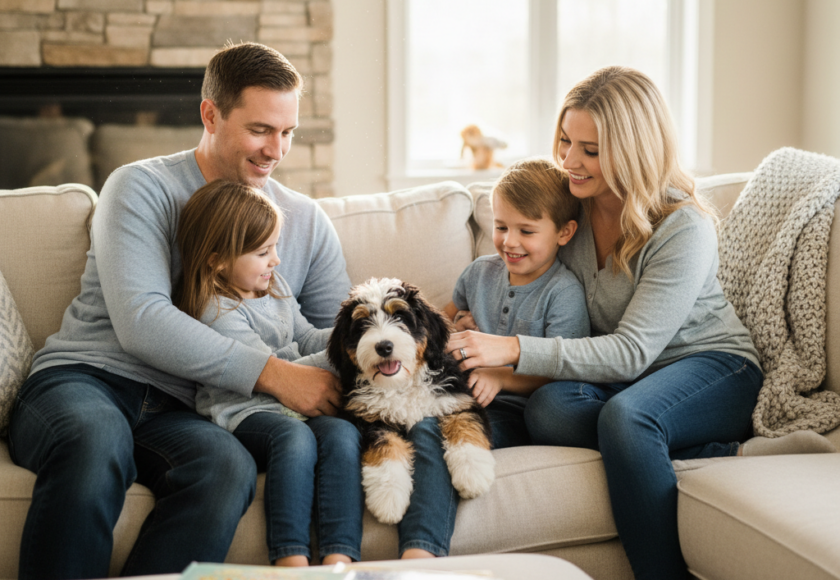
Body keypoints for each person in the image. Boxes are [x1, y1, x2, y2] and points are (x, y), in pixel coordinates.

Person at [8, 41, 350, 579]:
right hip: (87, 380)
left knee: (226, 468)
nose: (275, 150)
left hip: (184, 409)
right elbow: (142, 320)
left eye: (287, 132)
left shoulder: (304, 222)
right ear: (210, 115)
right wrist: (273, 374)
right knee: (95, 445)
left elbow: (341, 335)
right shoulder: (142, 186)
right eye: (260, 129)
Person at [445, 66, 767, 579]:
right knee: (548, 408)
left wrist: (509, 349)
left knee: (627, 419)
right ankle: (716, 452)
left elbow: (633, 351)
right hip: (627, 382)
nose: (570, 161)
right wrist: (469, 318)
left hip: (709, 366)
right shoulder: (572, 207)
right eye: (565, 141)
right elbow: (522, 272)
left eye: (590, 150)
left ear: (635, 149)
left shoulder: (683, 225)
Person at [175, 180, 362, 566]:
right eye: (263, 252)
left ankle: (340, 558)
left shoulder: (272, 284)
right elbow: (276, 372)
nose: (275, 260)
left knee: (343, 433)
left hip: (297, 402)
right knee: (294, 439)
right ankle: (290, 559)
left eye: (274, 247)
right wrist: (352, 356)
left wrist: (356, 335)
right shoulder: (215, 309)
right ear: (217, 260)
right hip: (245, 410)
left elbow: (307, 336)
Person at [443, 158, 590, 446]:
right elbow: (441, 317)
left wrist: (500, 377)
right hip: (460, 393)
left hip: (516, 411)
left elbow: (561, 372)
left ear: (564, 232)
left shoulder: (564, 293)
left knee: (456, 438)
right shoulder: (479, 273)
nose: (509, 242)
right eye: (501, 227)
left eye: (526, 231)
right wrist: (452, 327)